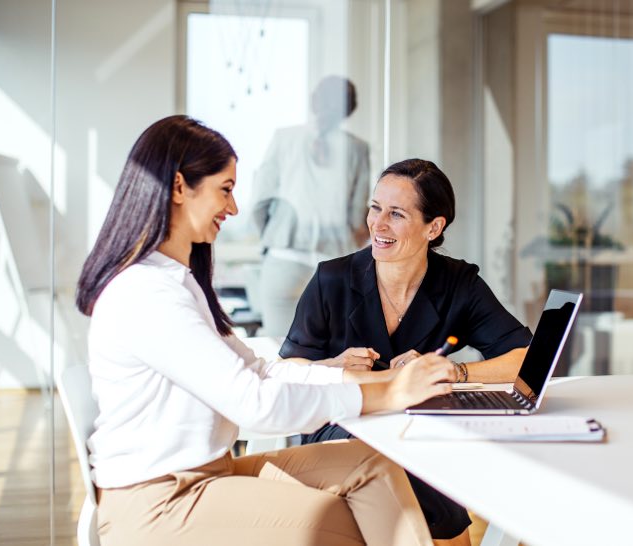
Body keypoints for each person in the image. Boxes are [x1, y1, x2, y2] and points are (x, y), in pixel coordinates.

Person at [75, 116, 462, 546]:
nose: (235, 208)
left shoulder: (177, 283)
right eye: (225, 189)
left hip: (209, 474)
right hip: (162, 502)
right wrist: (385, 395)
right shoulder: (147, 292)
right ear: (181, 187)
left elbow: (262, 371)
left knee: (372, 464)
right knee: (345, 522)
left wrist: (378, 380)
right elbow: (254, 403)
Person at [280, 158, 533, 544]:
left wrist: (453, 372)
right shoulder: (331, 279)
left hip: (417, 429)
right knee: (406, 465)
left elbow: (526, 359)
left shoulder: (457, 284)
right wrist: (333, 366)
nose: (377, 225)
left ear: (434, 227)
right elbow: (289, 369)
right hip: (342, 425)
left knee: (418, 459)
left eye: (396, 214)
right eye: (375, 208)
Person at [251, 75, 370, 335]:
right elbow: (358, 217)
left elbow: (260, 201)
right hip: (335, 261)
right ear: (349, 110)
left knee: (280, 350)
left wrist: (274, 234)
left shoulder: (284, 139)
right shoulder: (357, 149)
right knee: (336, 353)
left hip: (285, 256)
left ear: (314, 101)